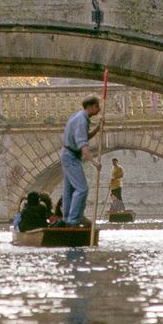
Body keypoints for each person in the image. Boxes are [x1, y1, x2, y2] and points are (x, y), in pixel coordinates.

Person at [58, 94, 103, 227]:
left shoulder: (80, 117)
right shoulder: (82, 120)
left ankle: (67, 218)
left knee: (69, 190)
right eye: (96, 106)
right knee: (82, 189)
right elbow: (83, 145)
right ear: (89, 107)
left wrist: (97, 129)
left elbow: (84, 137)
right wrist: (94, 162)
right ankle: (73, 220)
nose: (99, 109)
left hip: (67, 154)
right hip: (71, 156)